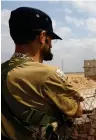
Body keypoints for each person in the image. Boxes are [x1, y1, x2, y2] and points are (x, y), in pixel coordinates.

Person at [1, 7, 84, 140]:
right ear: (42, 37)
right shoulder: (48, 74)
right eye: (51, 39)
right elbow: (78, 110)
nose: (51, 45)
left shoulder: (2, 70)